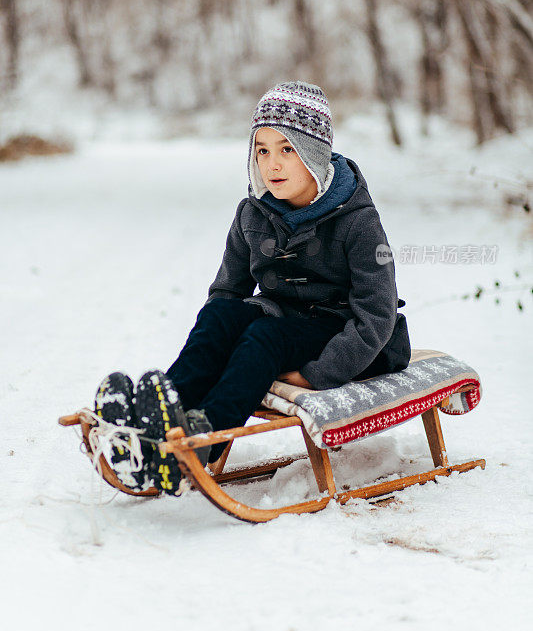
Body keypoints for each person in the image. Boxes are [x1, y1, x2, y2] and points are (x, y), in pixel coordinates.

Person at [94, 81, 411, 497]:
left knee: (262, 337)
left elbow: (377, 314)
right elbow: (227, 289)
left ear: (314, 154)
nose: (272, 164)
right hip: (284, 319)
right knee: (220, 314)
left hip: (345, 330)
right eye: (262, 150)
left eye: (287, 150)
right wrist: (219, 331)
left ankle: (204, 439)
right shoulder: (253, 212)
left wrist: (317, 375)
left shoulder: (357, 220)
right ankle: (162, 416)